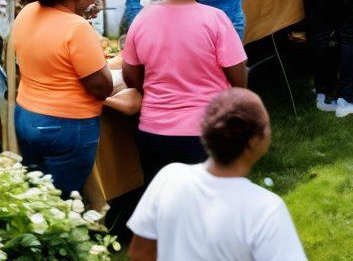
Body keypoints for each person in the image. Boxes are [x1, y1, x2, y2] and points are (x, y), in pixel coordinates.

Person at [127, 89, 307, 261]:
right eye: (267, 126)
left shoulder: (169, 177)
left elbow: (140, 254)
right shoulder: (266, 209)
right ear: (254, 140)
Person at [121, 0, 248, 183]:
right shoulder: (215, 19)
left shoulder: (142, 19)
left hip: (154, 131)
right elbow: (238, 76)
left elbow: (131, 75)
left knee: (165, 208)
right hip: (205, 131)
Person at [12, 0, 113, 197]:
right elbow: (102, 87)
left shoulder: (27, 12)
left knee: (36, 197)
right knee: (62, 202)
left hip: (27, 118)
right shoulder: (76, 28)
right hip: (65, 127)